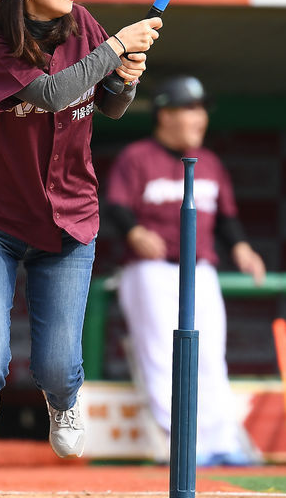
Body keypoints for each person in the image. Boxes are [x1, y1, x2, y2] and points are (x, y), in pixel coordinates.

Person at [0, 0, 162, 498]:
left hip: (70, 220)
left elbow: (108, 107)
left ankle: (64, 399)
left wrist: (125, 78)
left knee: (54, 365)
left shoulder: (83, 22)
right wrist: (117, 47)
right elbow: (48, 95)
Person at [105, 75, 266, 467]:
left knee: (211, 355)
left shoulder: (209, 162)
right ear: (166, 114)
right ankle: (184, 448)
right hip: (151, 270)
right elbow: (116, 205)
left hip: (201, 268)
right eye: (190, 110)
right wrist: (135, 231)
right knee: (163, 357)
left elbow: (226, 217)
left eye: (200, 111)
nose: (199, 119)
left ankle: (221, 441)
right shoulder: (137, 157)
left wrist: (242, 247)